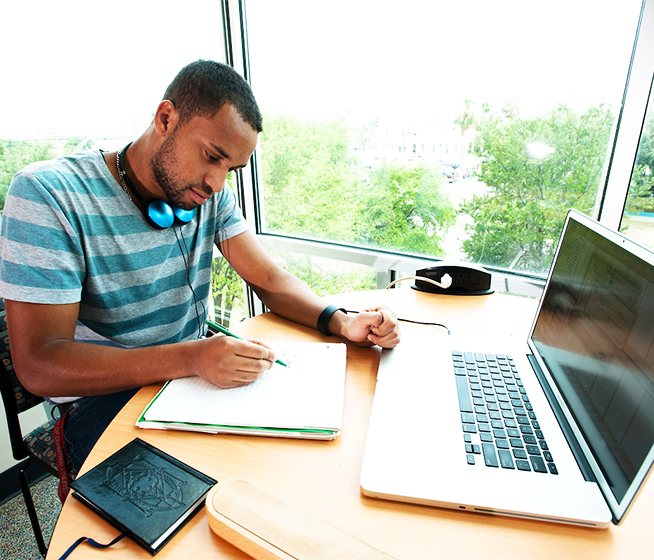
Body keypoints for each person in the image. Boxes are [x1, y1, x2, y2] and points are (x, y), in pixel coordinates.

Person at [0, 60, 400, 474]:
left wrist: (340, 321)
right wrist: (192, 358)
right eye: (212, 156)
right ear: (166, 118)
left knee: (290, 464)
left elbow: (267, 278)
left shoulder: (206, 195)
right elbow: (40, 366)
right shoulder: (48, 194)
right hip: (101, 400)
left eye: (231, 170)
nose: (217, 183)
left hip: (188, 375)